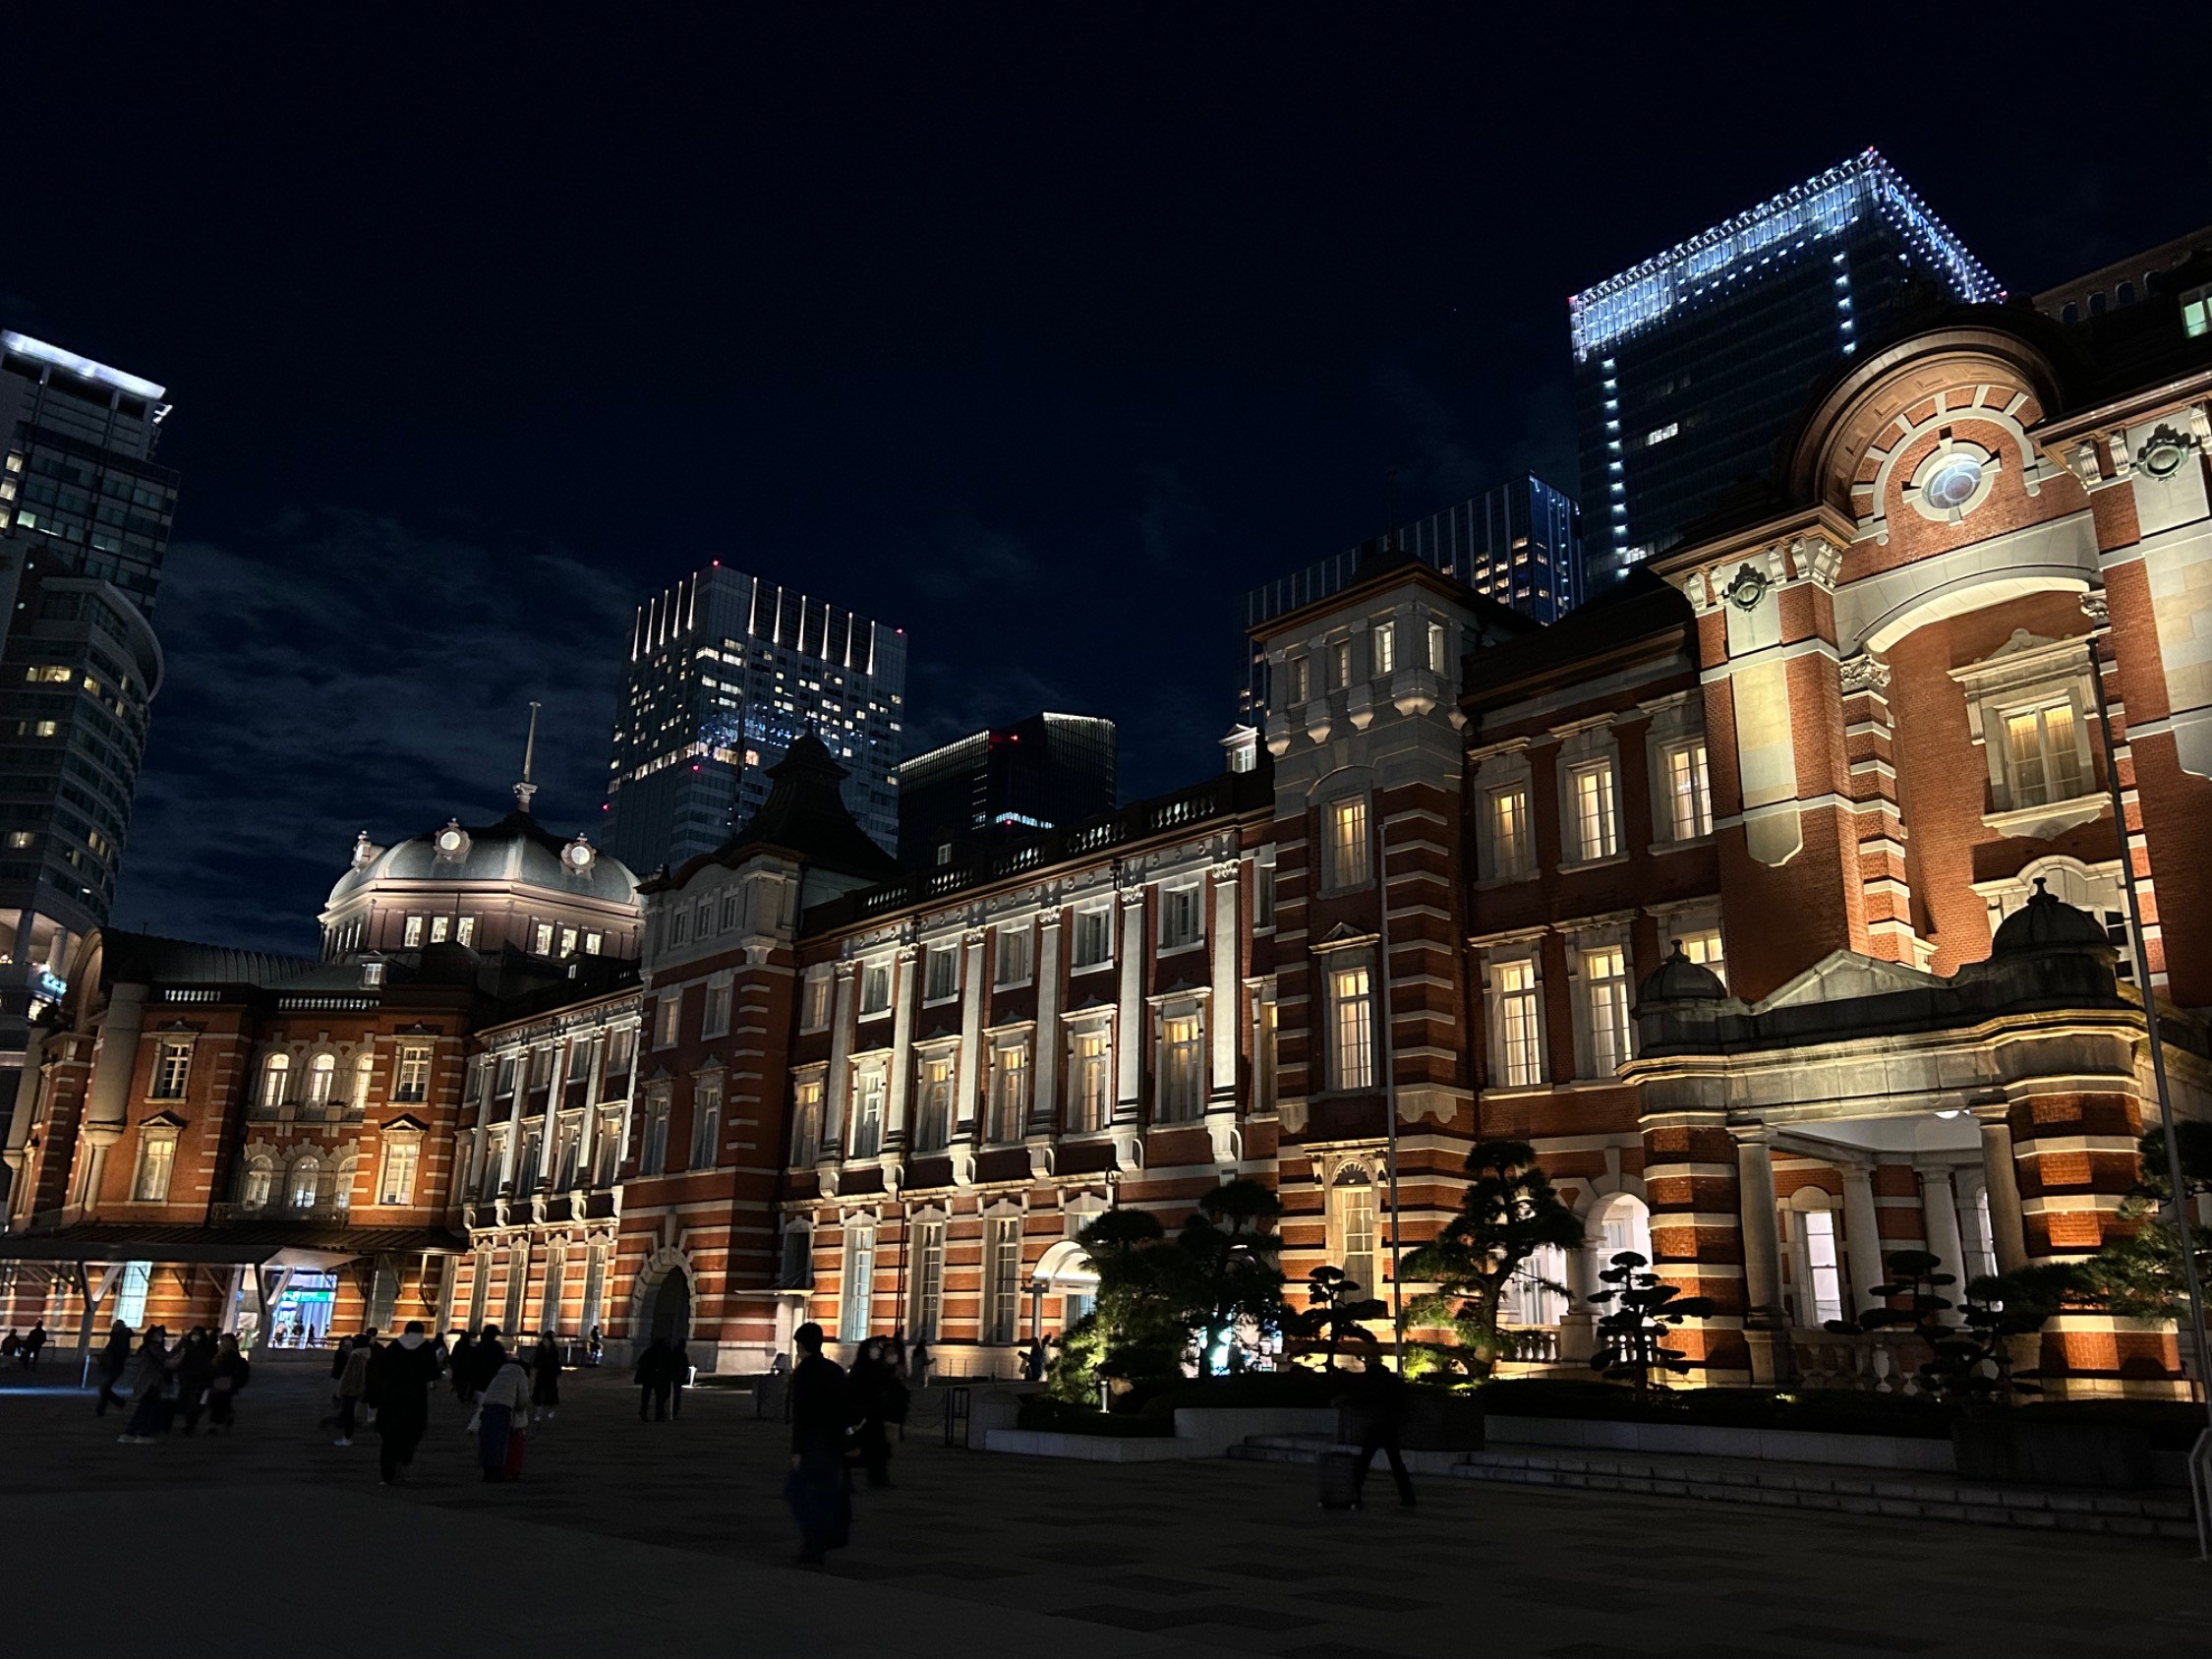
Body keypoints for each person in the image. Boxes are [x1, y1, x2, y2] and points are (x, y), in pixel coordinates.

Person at [785, 1322, 849, 1566]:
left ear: (801, 1345)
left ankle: (814, 1542)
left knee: (795, 1492)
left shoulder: (803, 1373)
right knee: (825, 1493)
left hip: (812, 1444)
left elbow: (801, 1414)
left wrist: (797, 1450)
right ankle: (823, 1539)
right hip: (833, 1443)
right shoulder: (834, 1370)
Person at [1341, 1338, 1415, 1510]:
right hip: (1391, 1424)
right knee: (1396, 1462)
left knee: (1364, 1461)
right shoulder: (1392, 1381)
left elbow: (1362, 1399)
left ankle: (1354, 1493)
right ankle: (1408, 1496)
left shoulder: (1372, 1383)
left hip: (1377, 1424)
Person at [371, 1322, 440, 1485]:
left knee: (389, 1436)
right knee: (411, 1434)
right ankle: (404, 1466)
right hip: (415, 1398)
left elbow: (383, 1370)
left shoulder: (395, 1346)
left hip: (392, 1396)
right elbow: (432, 1372)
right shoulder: (426, 1348)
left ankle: (387, 1473)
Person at [846, 1336, 905, 1490]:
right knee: (862, 1450)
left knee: (878, 1449)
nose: (877, 1351)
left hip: (874, 1415)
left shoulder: (874, 1367)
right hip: (862, 1416)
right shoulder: (862, 1368)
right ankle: (846, 1473)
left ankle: (877, 1478)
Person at [473, 1347, 532, 1481]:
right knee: (500, 1440)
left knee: (488, 1439)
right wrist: (520, 1409)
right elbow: (523, 1397)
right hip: (503, 1407)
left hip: (488, 1405)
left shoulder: (500, 1373)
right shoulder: (520, 1374)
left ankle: (486, 1470)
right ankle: (497, 1470)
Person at [117, 1328, 174, 1444]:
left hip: (146, 1382)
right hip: (152, 1382)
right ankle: (142, 1433)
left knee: (143, 1408)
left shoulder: (146, 1347)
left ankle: (130, 1433)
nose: (160, 1337)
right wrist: (180, 1355)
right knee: (149, 1409)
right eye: (158, 1334)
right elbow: (167, 1362)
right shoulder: (154, 1348)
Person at [333, 1331, 374, 1447]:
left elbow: (350, 1374)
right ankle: (347, 1435)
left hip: (351, 1389)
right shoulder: (366, 1354)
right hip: (358, 1388)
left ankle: (347, 1437)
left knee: (348, 1413)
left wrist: (343, 1389)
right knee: (351, 1412)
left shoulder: (356, 1355)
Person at [174, 1329, 216, 1434]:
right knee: (187, 1400)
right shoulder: (186, 1346)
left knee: (196, 1402)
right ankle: (188, 1422)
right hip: (187, 1378)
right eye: (194, 1334)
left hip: (200, 1379)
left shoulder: (207, 1347)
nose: (196, 1337)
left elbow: (209, 1363)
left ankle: (190, 1422)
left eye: (198, 1335)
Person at [206, 1333, 250, 1433]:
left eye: (225, 1341)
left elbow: (234, 1370)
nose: (223, 1343)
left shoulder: (231, 1356)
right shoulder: (219, 1354)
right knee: (221, 1402)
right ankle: (226, 1417)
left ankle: (216, 1423)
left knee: (218, 1402)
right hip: (219, 1382)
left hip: (226, 1382)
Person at [94, 1320, 133, 1415]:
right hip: (115, 1365)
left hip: (114, 1365)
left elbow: (118, 1351)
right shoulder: (120, 1337)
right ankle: (102, 1408)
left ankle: (117, 1403)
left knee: (104, 1388)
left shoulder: (118, 1337)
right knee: (105, 1387)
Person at [635, 1337, 671, 1421]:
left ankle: (644, 1414)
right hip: (659, 1377)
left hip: (649, 1377)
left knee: (646, 1397)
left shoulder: (649, 1351)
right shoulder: (666, 1352)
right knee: (659, 1398)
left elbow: (641, 1362)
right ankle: (658, 1414)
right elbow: (670, 1364)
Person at [530, 1333, 561, 1425]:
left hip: (550, 1374)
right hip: (542, 1374)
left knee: (551, 1392)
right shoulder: (540, 1350)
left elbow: (556, 1362)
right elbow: (536, 1361)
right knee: (539, 1392)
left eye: (547, 1341)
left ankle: (550, 1410)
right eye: (544, 1341)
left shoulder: (553, 1351)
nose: (545, 1342)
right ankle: (538, 1412)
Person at [449, 1331, 478, 1402]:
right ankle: (465, 1395)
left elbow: (454, 1354)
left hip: (459, 1366)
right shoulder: (469, 1345)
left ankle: (461, 1394)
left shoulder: (458, 1343)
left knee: (460, 1381)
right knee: (465, 1381)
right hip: (466, 1366)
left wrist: (452, 1363)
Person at [668, 1339, 691, 1420]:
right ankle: (674, 1410)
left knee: (670, 1394)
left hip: (674, 1376)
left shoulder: (673, 1353)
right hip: (677, 1376)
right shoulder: (681, 1354)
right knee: (676, 1394)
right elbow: (684, 1366)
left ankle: (671, 1410)